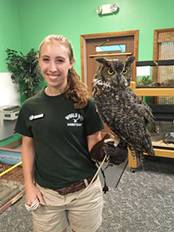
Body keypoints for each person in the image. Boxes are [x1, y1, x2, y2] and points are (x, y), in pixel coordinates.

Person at [15, 34, 104, 232]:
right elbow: (27, 147)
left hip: (85, 192)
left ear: (71, 63)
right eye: (46, 59)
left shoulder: (86, 104)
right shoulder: (29, 107)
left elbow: (95, 146)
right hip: (47, 195)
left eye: (60, 60)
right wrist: (29, 186)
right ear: (39, 62)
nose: (52, 68)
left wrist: (109, 151)